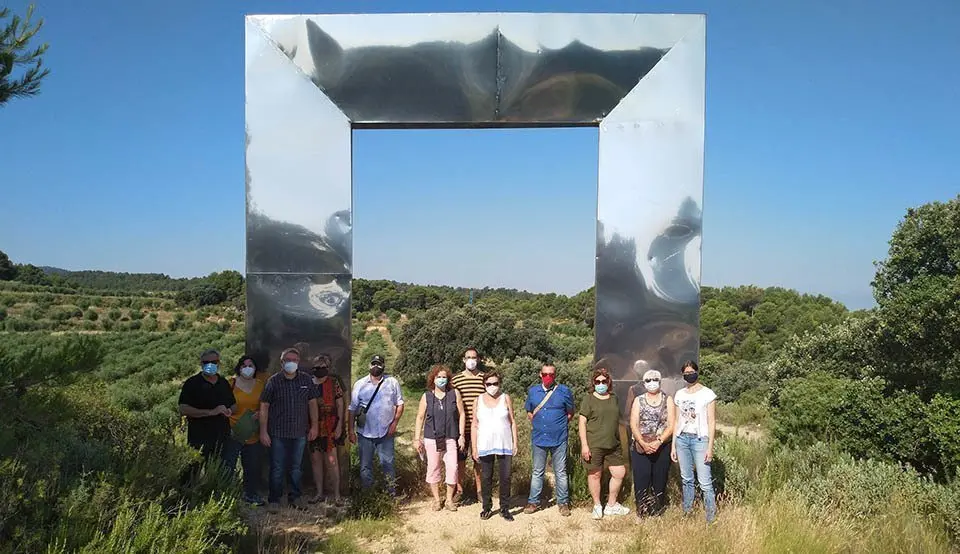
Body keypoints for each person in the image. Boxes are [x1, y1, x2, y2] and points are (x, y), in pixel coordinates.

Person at [259, 347, 320, 513]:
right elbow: (264, 406)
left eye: (295, 360)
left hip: (300, 432)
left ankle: (296, 497)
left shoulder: (306, 380)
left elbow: (312, 403)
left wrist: (315, 425)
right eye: (288, 360)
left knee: (296, 468)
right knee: (277, 467)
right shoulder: (273, 381)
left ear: (299, 362)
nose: (291, 363)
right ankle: (274, 499)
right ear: (282, 362)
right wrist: (263, 431)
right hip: (278, 433)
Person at [523, 363, 575, 517]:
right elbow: (529, 411)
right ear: (540, 374)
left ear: (555, 375)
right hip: (539, 438)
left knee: (561, 472)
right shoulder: (533, 391)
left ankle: (563, 503)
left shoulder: (564, 391)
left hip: (559, 438)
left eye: (551, 374)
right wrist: (539, 425)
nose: (548, 377)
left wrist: (558, 425)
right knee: (538, 471)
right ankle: (533, 502)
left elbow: (570, 413)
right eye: (545, 374)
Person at [579, 366, 630, 520]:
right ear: (593, 383)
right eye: (597, 381)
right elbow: (582, 423)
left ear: (609, 382)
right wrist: (584, 445)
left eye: (604, 381)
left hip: (613, 444)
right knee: (595, 474)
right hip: (594, 443)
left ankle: (611, 505)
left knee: (619, 472)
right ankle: (597, 505)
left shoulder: (614, 398)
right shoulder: (588, 399)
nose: (601, 383)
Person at [348, 354, 405, 494]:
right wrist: (350, 430)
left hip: (386, 432)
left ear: (384, 366)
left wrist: (394, 424)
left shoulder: (392, 382)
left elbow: (400, 404)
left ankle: (390, 495)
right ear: (369, 366)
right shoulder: (360, 384)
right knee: (365, 467)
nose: (376, 367)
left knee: (388, 465)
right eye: (373, 364)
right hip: (365, 433)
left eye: (379, 364)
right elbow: (352, 409)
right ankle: (369, 496)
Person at [413, 364, 466, 511]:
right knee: (433, 467)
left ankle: (449, 500)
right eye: (438, 377)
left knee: (452, 467)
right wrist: (417, 438)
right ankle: (437, 500)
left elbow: (462, 414)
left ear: (448, 379)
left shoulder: (454, 394)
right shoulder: (426, 396)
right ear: (433, 379)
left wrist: (461, 435)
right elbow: (420, 417)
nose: (441, 379)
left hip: (451, 437)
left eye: (444, 377)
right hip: (432, 438)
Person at [671, 360, 718, 523]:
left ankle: (711, 517)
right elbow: (676, 421)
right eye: (686, 374)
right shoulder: (679, 394)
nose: (689, 375)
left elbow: (712, 422)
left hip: (700, 440)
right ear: (683, 376)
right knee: (686, 479)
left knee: (704, 481)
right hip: (682, 438)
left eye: (692, 372)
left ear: (697, 373)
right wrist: (673, 445)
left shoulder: (708, 394)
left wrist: (710, 447)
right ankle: (687, 512)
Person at [472, 371, 518, 521]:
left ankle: (505, 508)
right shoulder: (477, 400)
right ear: (484, 384)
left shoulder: (506, 398)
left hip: (504, 443)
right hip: (485, 444)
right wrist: (474, 447)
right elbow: (474, 425)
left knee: (505, 477)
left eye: (495, 383)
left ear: (500, 384)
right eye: (489, 384)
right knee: (486, 477)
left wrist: (515, 443)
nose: (492, 386)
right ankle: (486, 507)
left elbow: (512, 422)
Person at [629, 369, 676, 517]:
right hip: (641, 446)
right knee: (641, 478)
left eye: (654, 379)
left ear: (660, 381)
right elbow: (633, 423)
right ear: (644, 383)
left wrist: (659, 441)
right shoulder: (638, 400)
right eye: (648, 380)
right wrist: (642, 442)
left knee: (660, 478)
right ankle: (641, 511)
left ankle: (657, 510)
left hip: (662, 446)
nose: (651, 383)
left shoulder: (668, 400)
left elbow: (671, 424)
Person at [223, 355, 267, 506]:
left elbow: (266, 404)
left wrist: (260, 413)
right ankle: (228, 495)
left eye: (251, 365)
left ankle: (251, 494)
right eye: (244, 365)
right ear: (239, 368)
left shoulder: (261, 385)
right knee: (229, 464)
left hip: (252, 431)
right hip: (233, 431)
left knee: (252, 465)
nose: (247, 368)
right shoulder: (231, 383)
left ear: (255, 369)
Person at [178, 349, 237, 463]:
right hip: (198, 439)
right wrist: (211, 412)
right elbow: (183, 409)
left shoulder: (223, 383)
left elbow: (233, 405)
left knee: (220, 472)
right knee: (193, 473)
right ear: (201, 363)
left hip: (222, 438)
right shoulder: (192, 383)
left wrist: (229, 410)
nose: (210, 365)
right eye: (206, 362)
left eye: (214, 362)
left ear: (219, 363)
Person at [307, 354, 344, 506]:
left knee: (332, 461)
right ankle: (319, 493)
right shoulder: (308, 382)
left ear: (328, 368)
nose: (320, 370)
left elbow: (340, 404)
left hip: (330, 426)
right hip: (311, 426)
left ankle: (336, 494)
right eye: (317, 367)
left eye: (323, 367)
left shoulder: (334, 382)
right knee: (315, 461)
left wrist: (340, 424)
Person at [450, 347, 485, 505]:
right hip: (461, 428)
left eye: (474, 357)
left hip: (480, 427)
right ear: (463, 360)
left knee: (479, 460)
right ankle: (459, 490)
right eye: (468, 357)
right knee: (460, 461)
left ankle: (480, 491)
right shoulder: (456, 380)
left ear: (478, 359)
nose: (471, 360)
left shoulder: (484, 378)